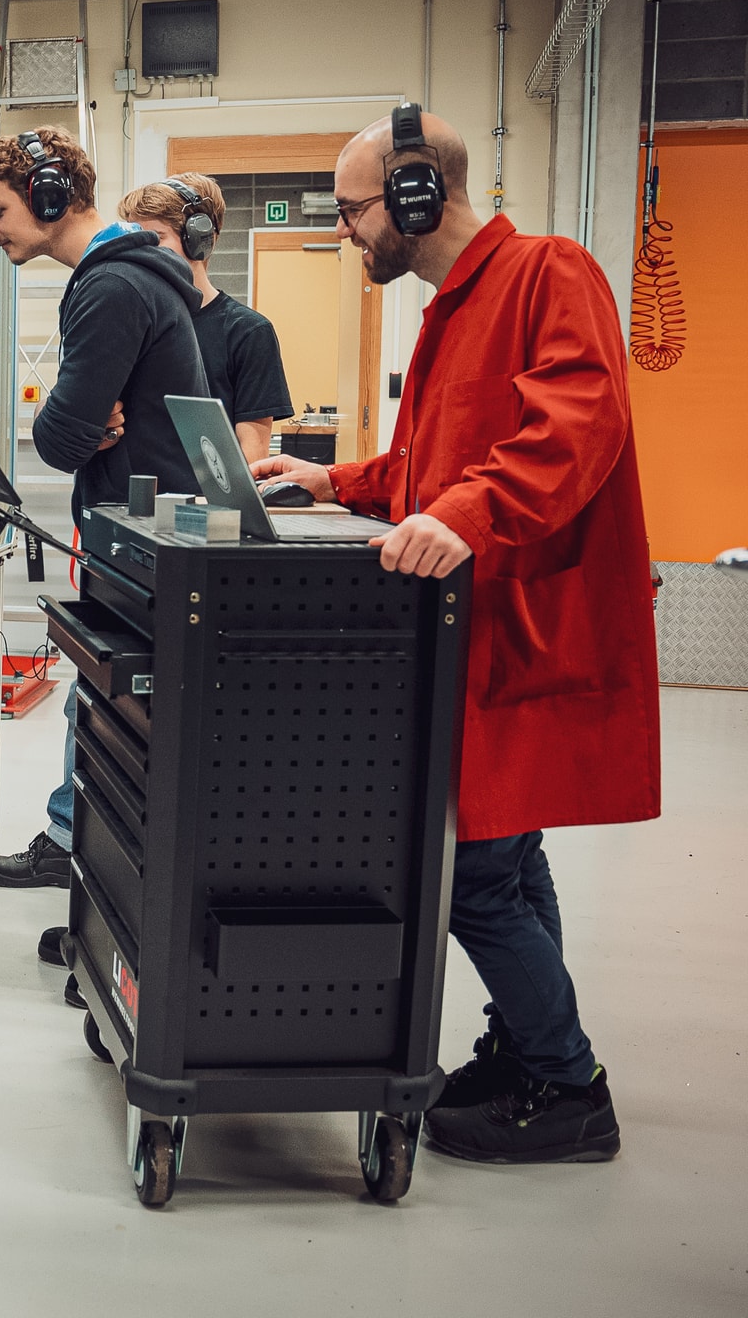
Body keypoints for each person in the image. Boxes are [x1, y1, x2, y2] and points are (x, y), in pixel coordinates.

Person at [250, 106, 659, 1164]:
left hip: (522, 628)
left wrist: (466, 516)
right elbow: (431, 473)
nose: (344, 232)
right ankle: (529, 1050)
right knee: (508, 863)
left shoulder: (546, 273)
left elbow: (578, 421)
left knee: (473, 871)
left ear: (416, 195)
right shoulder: (446, 315)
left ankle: (571, 1087)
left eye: (349, 210)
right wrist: (330, 479)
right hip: (472, 629)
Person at [0, 129, 208, 940]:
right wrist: (68, 417)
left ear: (51, 197)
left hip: (147, 549)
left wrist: (66, 420)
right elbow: (70, 425)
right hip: (146, 539)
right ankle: (98, 905)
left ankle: (116, 929)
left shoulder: (109, 289)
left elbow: (64, 440)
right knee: (101, 718)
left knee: (118, 731)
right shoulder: (132, 277)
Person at [118, 173, 294, 461]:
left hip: (201, 505)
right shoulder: (127, 324)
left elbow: (253, 458)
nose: (142, 252)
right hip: (122, 503)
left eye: (155, 238)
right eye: (136, 239)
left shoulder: (248, 333)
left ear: (198, 240)